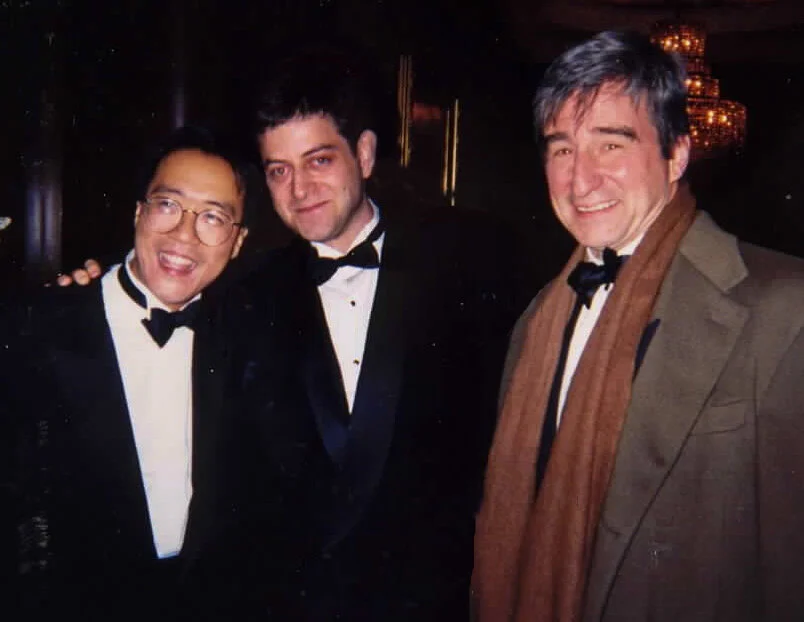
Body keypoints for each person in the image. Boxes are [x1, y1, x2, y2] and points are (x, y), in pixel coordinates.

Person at [473, 30, 804, 622]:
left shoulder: (782, 308)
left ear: (676, 154)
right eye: (562, 149)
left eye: (611, 145)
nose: (581, 180)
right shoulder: (535, 322)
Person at [224, 48, 528, 620]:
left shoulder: (469, 261)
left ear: (363, 154)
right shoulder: (247, 294)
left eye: (318, 160)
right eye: (278, 170)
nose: (299, 188)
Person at [4, 126, 258, 620]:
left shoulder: (249, 342)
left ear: (238, 241)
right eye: (168, 205)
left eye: (213, 217)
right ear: (138, 212)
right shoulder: (34, 330)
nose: (184, 234)